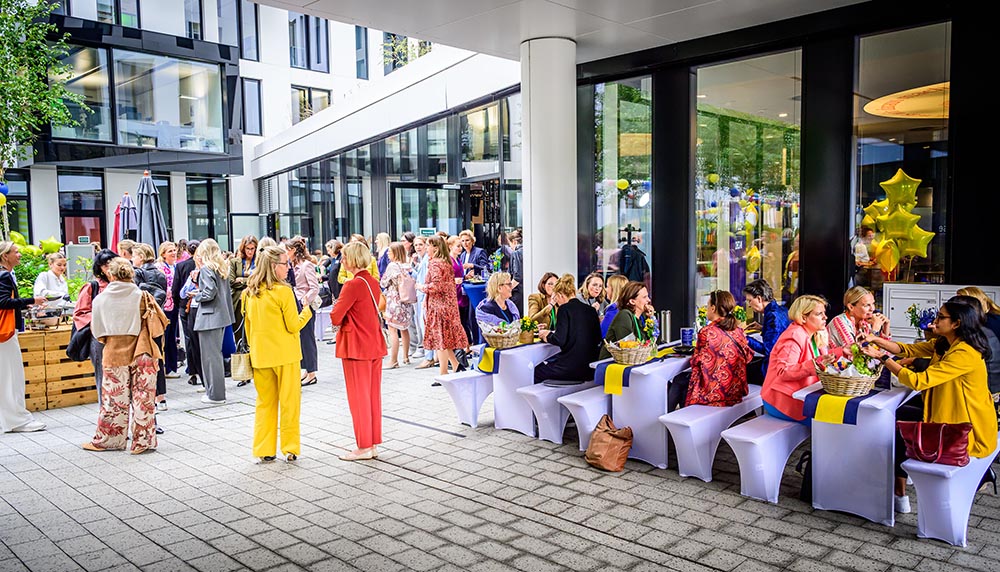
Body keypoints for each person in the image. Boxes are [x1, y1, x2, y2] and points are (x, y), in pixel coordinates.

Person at [863, 299, 998, 513]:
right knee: (895, 419)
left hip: (965, 427)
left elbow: (919, 381)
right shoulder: (945, 343)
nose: (934, 321)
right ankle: (900, 483)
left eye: (941, 317)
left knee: (896, 426)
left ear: (956, 323)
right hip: (945, 412)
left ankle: (899, 489)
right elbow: (907, 349)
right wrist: (875, 339)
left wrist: (883, 358)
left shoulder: (965, 353)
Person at [84, 257, 167, 453]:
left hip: (114, 350)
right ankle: (143, 442)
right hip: (143, 349)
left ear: (110, 275)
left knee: (114, 400)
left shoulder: (100, 299)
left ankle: (110, 440)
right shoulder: (142, 296)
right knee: (143, 399)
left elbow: (97, 331)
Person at [242, 245, 312, 463]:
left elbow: (248, 328)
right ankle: (290, 448)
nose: (288, 267)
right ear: (274, 266)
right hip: (286, 355)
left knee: (265, 403)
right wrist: (307, 311)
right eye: (285, 264)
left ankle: (264, 449)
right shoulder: (283, 291)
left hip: (261, 356)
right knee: (289, 403)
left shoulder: (249, 293)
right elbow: (293, 326)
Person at [330, 242, 388, 461]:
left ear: (353, 259)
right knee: (372, 397)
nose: (342, 261)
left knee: (359, 398)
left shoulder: (352, 285)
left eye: (345, 257)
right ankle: (371, 443)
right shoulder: (372, 281)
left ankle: (364, 446)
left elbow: (336, 316)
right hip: (373, 343)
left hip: (356, 346)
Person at [761, 295, 841, 423]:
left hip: (801, 396)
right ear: (803, 318)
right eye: (819, 314)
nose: (825, 317)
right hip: (781, 401)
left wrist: (843, 351)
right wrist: (815, 364)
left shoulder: (815, 334)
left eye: (824, 313)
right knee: (830, 421)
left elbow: (822, 358)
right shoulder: (794, 336)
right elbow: (784, 371)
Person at [0, 241, 48, 433]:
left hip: (5, 332)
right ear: (5, 256)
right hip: (5, 333)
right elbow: (3, 302)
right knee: (12, 376)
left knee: (6, 376)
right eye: (16, 251)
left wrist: (23, 304)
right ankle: (16, 420)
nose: (19, 254)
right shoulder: (4, 275)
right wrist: (32, 300)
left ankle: (9, 418)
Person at [685, 291, 755, 407]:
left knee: (679, 382)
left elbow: (696, 361)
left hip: (713, 393)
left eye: (707, 305)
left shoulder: (706, 332)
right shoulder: (738, 331)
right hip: (735, 391)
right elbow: (748, 356)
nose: (706, 309)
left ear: (713, 308)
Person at [535, 274, 602, 385]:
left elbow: (559, 339)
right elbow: (597, 338)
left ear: (560, 295)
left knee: (537, 371)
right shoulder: (591, 310)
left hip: (570, 369)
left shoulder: (564, 309)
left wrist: (546, 335)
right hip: (589, 368)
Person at [418, 235, 469, 376]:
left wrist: (421, 287)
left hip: (438, 307)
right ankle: (456, 365)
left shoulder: (435, 263)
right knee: (445, 339)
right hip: (448, 305)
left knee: (440, 341)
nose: (426, 248)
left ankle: (443, 373)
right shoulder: (446, 262)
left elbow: (436, 286)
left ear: (435, 247)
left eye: (428, 245)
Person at [192, 239, 235, 404]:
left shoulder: (206, 269)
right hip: (221, 316)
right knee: (215, 356)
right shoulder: (221, 268)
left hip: (209, 317)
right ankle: (216, 393)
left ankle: (215, 395)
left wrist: (196, 295)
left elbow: (209, 292)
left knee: (210, 358)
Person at [74, 249, 118, 401]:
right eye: (105, 265)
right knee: (103, 375)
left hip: (122, 337)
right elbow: (80, 313)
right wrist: (100, 321)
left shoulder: (125, 284)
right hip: (100, 338)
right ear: (99, 268)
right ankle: (104, 409)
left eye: (112, 263)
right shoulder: (92, 287)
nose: (109, 267)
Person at [287, 237, 319, 386]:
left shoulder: (307, 265)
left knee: (308, 339)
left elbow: (314, 287)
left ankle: (312, 373)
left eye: (287, 250)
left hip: (305, 306)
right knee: (301, 340)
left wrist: (304, 300)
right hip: (295, 305)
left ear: (293, 250)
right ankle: (306, 370)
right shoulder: (291, 266)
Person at [743, 279, 790, 379]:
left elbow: (768, 350)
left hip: (773, 369)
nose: (749, 305)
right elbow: (779, 332)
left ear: (759, 299)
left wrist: (745, 338)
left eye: (750, 301)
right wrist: (762, 328)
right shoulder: (781, 310)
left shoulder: (772, 316)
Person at [600, 280, 656, 360]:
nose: (649, 300)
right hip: (611, 363)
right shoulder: (624, 315)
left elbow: (653, 344)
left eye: (647, 296)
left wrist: (651, 318)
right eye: (644, 297)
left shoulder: (642, 317)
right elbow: (630, 347)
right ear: (632, 301)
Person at [380, 242, 414, 369]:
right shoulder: (407, 265)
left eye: (390, 251)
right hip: (406, 300)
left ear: (395, 253)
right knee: (404, 328)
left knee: (392, 330)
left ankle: (393, 360)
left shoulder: (392, 266)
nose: (388, 254)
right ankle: (406, 357)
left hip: (394, 300)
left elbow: (383, 283)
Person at [172, 240, 200, 386]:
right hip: (199, 305)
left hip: (185, 306)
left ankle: (193, 371)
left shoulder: (181, 266)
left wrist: (179, 305)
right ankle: (202, 370)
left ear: (187, 251)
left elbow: (175, 289)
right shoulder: (203, 265)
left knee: (189, 338)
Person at [156, 242, 180, 381]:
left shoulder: (176, 266)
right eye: (170, 251)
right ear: (163, 254)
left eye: (174, 250)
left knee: (172, 337)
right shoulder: (160, 268)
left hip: (174, 305)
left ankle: (172, 367)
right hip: (164, 306)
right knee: (165, 336)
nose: (173, 253)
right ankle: (165, 367)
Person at [229, 235, 258, 346]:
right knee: (238, 330)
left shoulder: (259, 262)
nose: (250, 251)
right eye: (247, 248)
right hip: (238, 300)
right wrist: (250, 279)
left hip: (254, 297)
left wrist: (243, 280)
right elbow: (231, 281)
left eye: (252, 248)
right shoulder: (235, 262)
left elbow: (259, 280)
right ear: (243, 248)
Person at [447, 235, 473, 346]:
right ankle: (465, 344)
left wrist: (465, 277)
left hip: (461, 293)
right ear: (450, 246)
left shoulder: (458, 259)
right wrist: (454, 280)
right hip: (455, 295)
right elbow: (445, 278)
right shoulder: (449, 260)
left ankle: (467, 344)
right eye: (458, 246)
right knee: (460, 321)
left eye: (460, 246)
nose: (460, 248)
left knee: (463, 320)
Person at [507, 230, 524, 314]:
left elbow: (517, 277)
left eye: (509, 244)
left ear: (514, 242)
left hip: (517, 293)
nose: (510, 247)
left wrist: (507, 289)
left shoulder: (516, 253)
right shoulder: (528, 251)